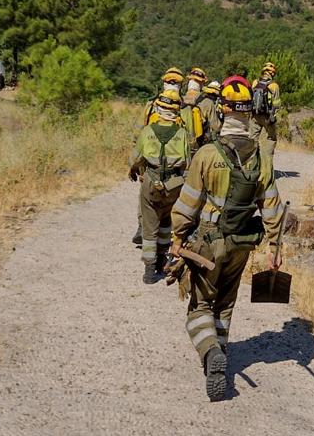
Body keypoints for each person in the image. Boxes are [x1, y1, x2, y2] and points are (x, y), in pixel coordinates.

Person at [170, 75, 284, 401]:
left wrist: (177, 238)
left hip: (207, 245)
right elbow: (272, 207)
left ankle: (210, 352)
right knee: (225, 303)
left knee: (200, 305)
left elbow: (187, 204)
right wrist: (275, 247)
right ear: (248, 114)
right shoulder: (262, 157)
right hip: (241, 246)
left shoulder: (207, 154)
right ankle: (221, 347)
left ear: (223, 111)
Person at [130, 89, 192, 284]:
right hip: (174, 186)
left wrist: (134, 170)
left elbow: (136, 158)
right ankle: (161, 261)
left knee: (150, 227)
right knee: (167, 224)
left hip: (150, 182)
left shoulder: (147, 132)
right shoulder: (182, 134)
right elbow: (187, 163)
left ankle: (149, 270)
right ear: (176, 111)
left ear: (158, 108)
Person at [133, 67, 186, 246]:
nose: (172, 85)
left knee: (146, 196)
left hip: (149, 160)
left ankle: (144, 229)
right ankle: (163, 241)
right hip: (174, 167)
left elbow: (140, 131)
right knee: (168, 204)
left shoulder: (151, 105)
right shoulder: (183, 107)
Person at [250, 62, 281, 155]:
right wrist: (273, 117)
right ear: (272, 73)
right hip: (267, 117)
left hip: (255, 115)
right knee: (270, 140)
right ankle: (266, 167)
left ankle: (250, 165)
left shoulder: (255, 82)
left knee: (252, 140)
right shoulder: (274, 85)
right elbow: (276, 104)